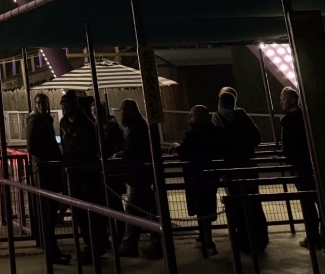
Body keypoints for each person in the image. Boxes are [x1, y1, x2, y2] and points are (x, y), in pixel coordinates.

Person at [213, 87, 268, 254]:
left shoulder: (218, 117)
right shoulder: (243, 116)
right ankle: (261, 238)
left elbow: (218, 143)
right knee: (254, 202)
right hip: (249, 166)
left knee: (236, 205)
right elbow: (257, 138)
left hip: (230, 169)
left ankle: (243, 241)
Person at [173, 105, 228, 256]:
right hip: (213, 175)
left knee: (201, 208)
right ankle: (204, 236)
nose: (188, 117)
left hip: (197, 176)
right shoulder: (217, 133)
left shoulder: (195, 135)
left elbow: (185, 151)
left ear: (200, 118)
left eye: (191, 115)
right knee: (207, 205)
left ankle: (208, 241)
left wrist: (176, 147)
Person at [60, 89, 105, 265]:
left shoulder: (86, 124)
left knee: (89, 212)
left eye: (66, 105)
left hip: (87, 174)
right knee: (78, 213)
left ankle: (95, 245)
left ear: (74, 106)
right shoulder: (64, 123)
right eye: (62, 106)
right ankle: (91, 244)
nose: (64, 109)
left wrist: (73, 141)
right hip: (73, 174)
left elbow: (90, 150)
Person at [26, 93, 71, 265]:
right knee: (48, 211)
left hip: (48, 169)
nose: (42, 105)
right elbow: (32, 146)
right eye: (39, 102)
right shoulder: (35, 120)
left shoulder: (45, 119)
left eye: (44, 102)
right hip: (44, 170)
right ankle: (51, 250)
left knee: (50, 211)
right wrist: (51, 155)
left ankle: (53, 249)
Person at [115, 99, 162, 258]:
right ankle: (156, 244)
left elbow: (131, 151)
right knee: (150, 211)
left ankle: (129, 245)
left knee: (133, 211)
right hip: (143, 176)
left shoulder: (136, 129)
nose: (121, 113)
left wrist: (117, 155)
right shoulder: (140, 126)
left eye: (122, 110)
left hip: (138, 176)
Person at [279, 87, 322, 249]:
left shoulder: (288, 121)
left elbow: (287, 147)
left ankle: (312, 236)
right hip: (313, 164)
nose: (281, 101)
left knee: (307, 202)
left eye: (282, 99)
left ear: (290, 101)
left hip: (299, 165)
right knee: (320, 200)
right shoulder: (308, 117)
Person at [92, 101, 126, 246]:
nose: (94, 113)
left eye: (96, 110)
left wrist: (110, 156)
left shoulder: (113, 128)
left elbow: (119, 147)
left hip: (112, 171)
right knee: (104, 204)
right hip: (101, 171)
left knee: (115, 203)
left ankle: (120, 234)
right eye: (92, 111)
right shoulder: (95, 128)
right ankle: (107, 236)